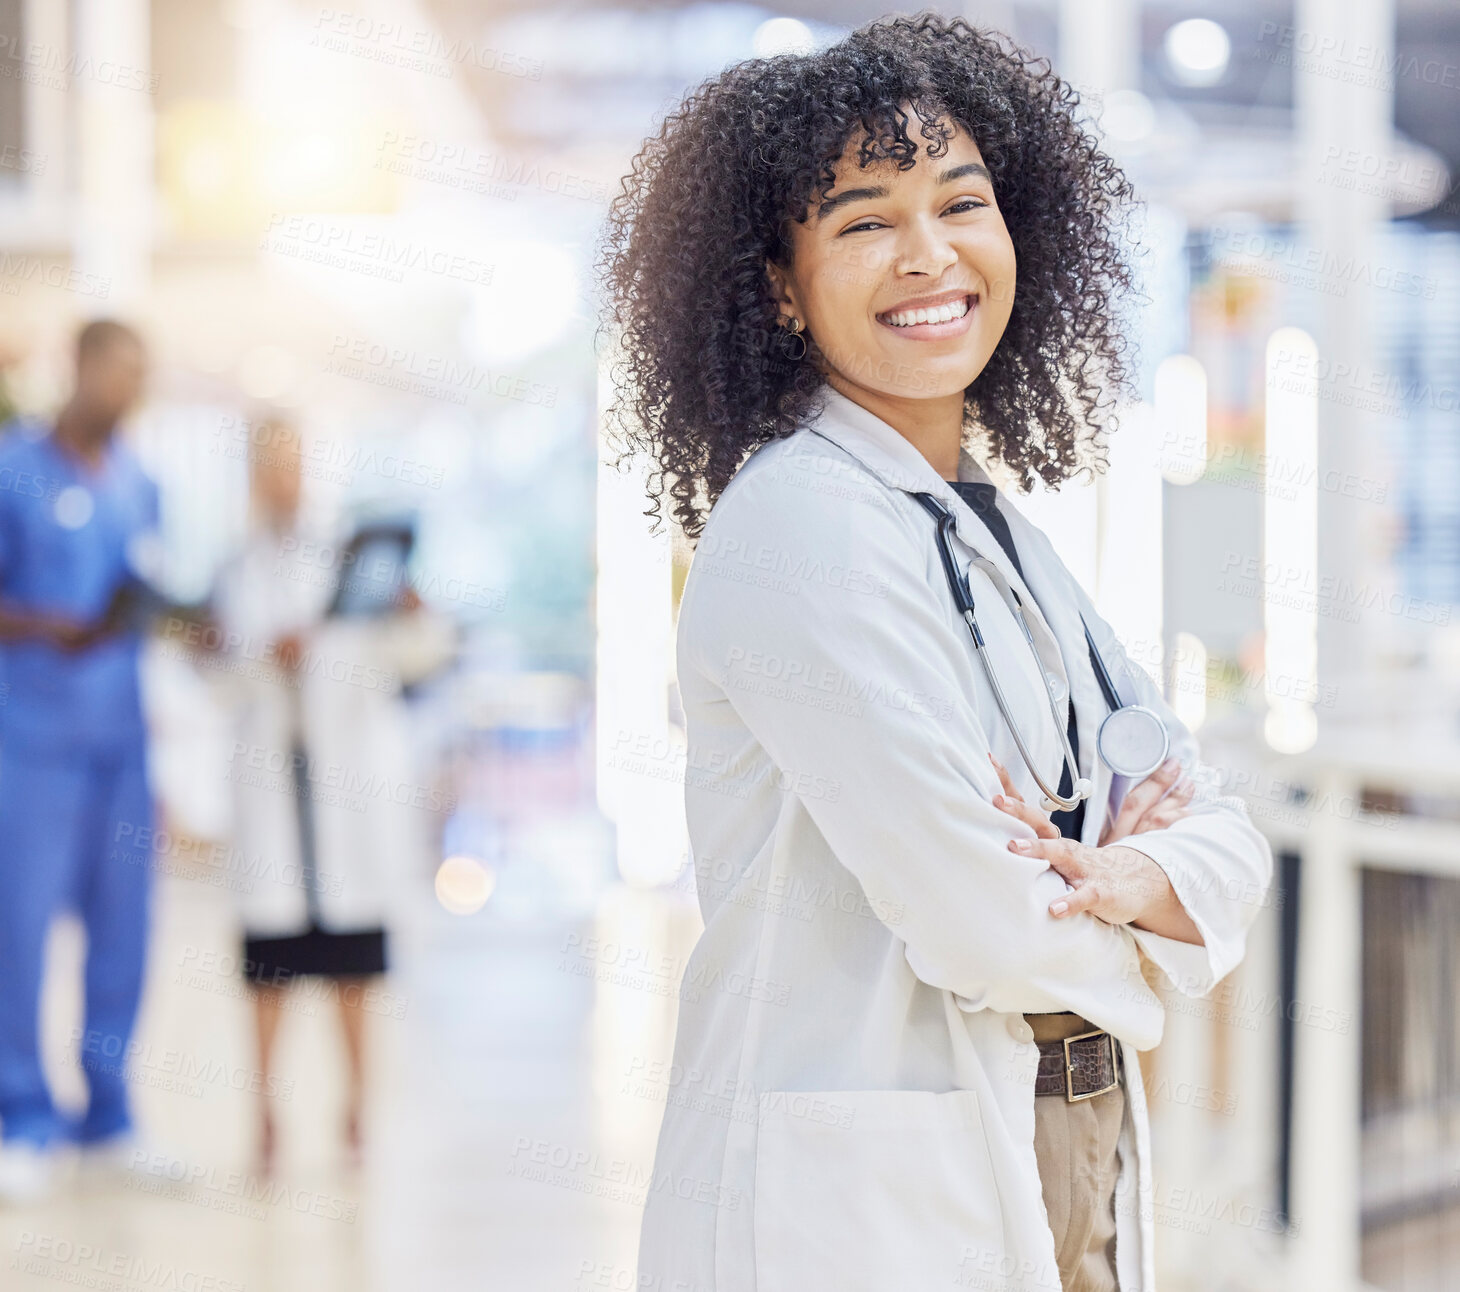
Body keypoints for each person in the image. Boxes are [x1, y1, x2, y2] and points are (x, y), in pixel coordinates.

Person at [600, 15, 1274, 1292]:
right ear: (777, 288)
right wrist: (1144, 917)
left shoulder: (994, 528)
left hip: (1060, 1136)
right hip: (864, 1203)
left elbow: (1225, 829)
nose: (930, 255)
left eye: (961, 203)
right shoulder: (801, 527)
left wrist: (1113, 867)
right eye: (863, 222)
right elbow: (984, 924)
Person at [205, 419, 454, 1173]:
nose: (284, 476)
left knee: (351, 964)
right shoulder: (235, 570)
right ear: (253, 472)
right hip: (275, 785)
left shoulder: (355, 560)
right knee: (270, 965)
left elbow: (417, 657)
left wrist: (411, 613)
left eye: (294, 460)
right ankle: (265, 1119)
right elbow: (217, 680)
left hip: (347, 791)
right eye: (269, 463)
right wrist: (261, 655)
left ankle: (356, 1118)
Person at [0, 319, 160, 1203]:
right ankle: (23, 1119)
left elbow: (146, 588)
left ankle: (107, 1116)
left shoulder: (142, 484)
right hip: (37, 739)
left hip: (123, 739)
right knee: (23, 934)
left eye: (139, 379)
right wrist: (48, 627)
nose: (127, 393)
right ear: (75, 369)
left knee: (124, 937)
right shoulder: (8, 465)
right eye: (115, 375)